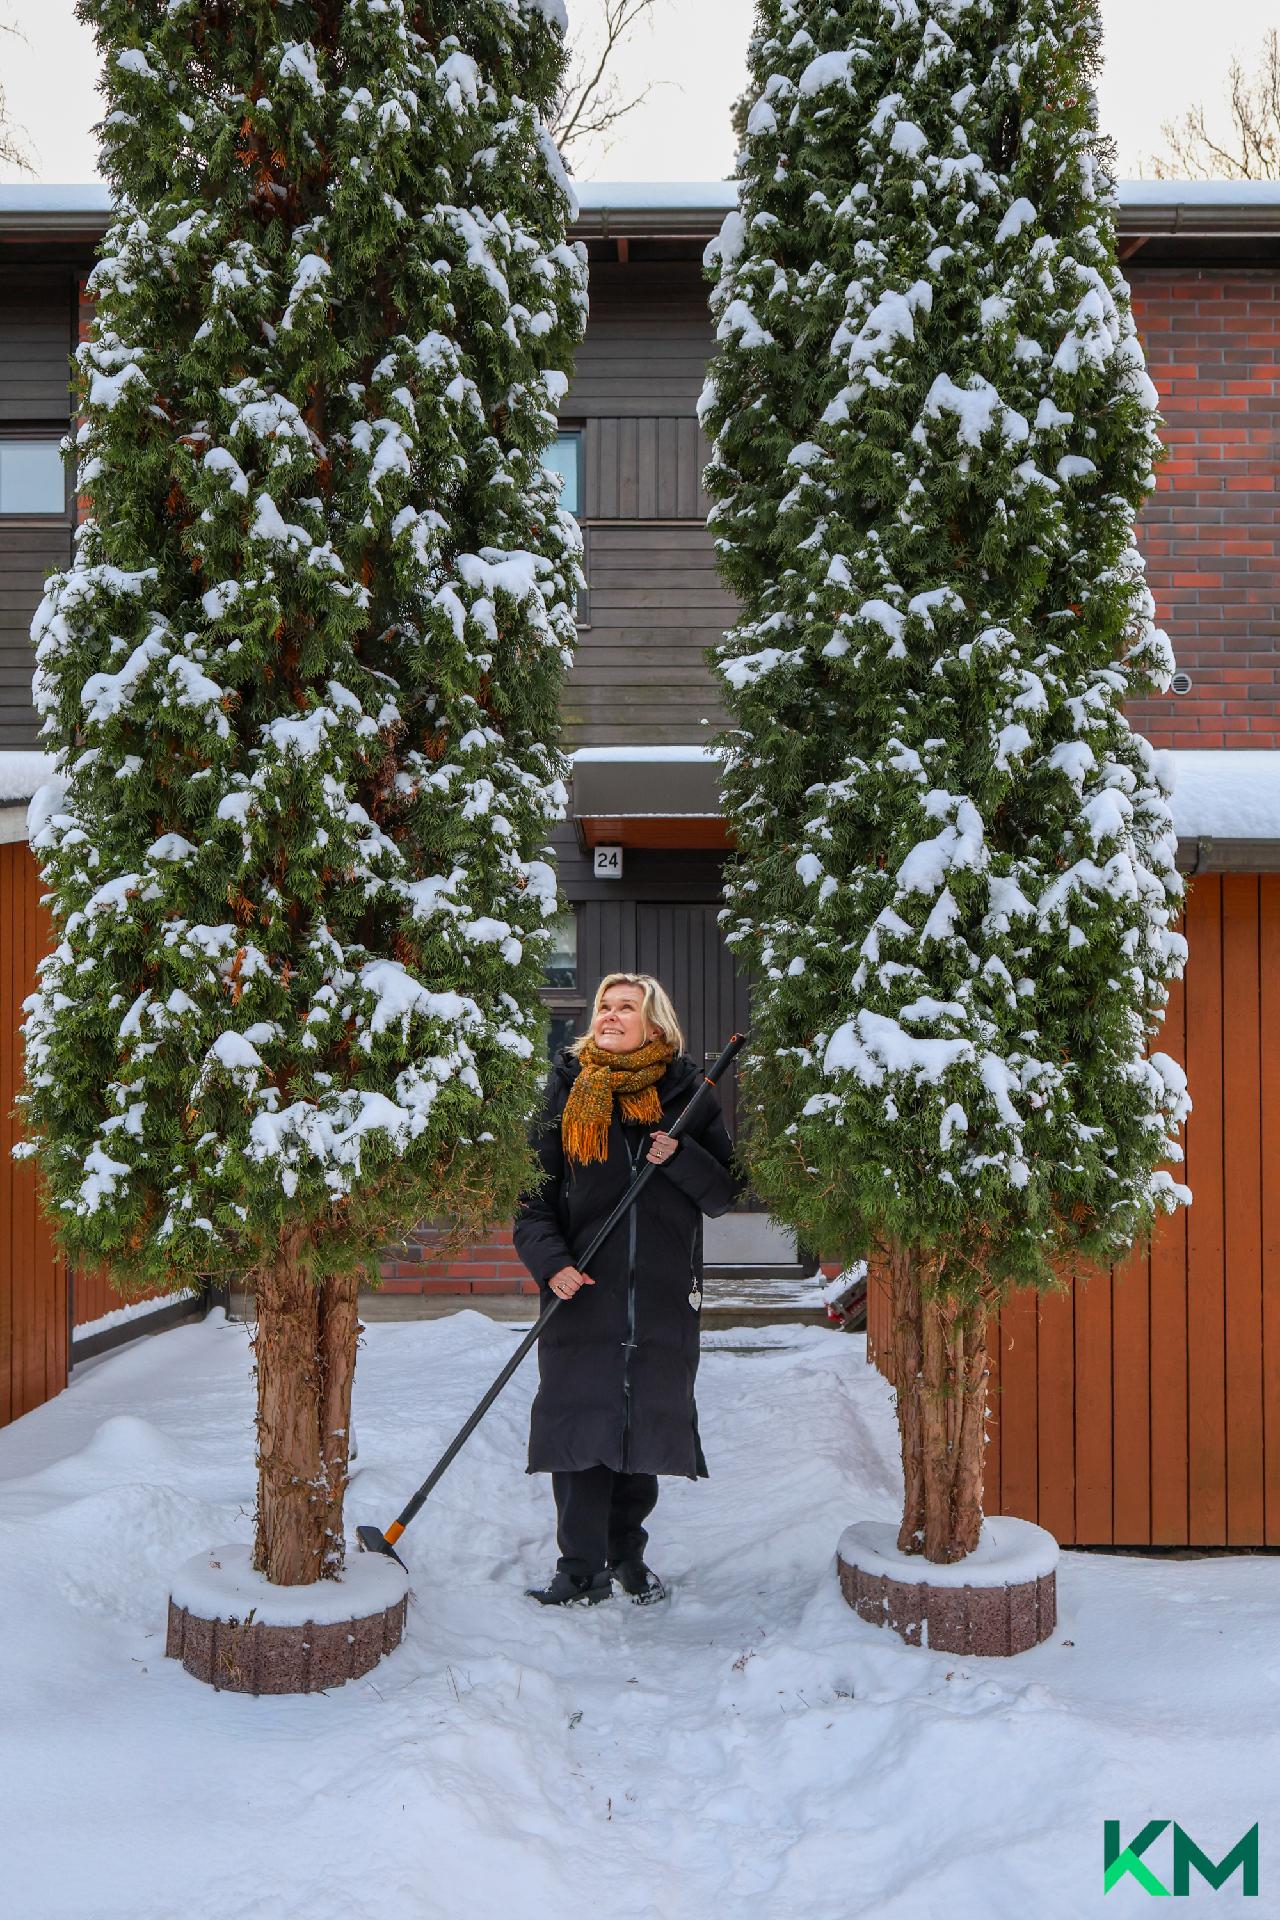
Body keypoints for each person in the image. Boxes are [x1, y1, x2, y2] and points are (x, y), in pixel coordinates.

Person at [514, 972, 741, 1607]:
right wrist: (552, 1264)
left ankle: (626, 1559)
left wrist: (681, 1156)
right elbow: (531, 1203)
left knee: (641, 1436)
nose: (610, 1016)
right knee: (580, 1433)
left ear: (656, 1026)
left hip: (662, 1298)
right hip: (582, 1291)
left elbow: (724, 1193)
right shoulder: (565, 1094)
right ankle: (578, 1566)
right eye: (604, 1007)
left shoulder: (689, 1095)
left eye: (626, 1009)